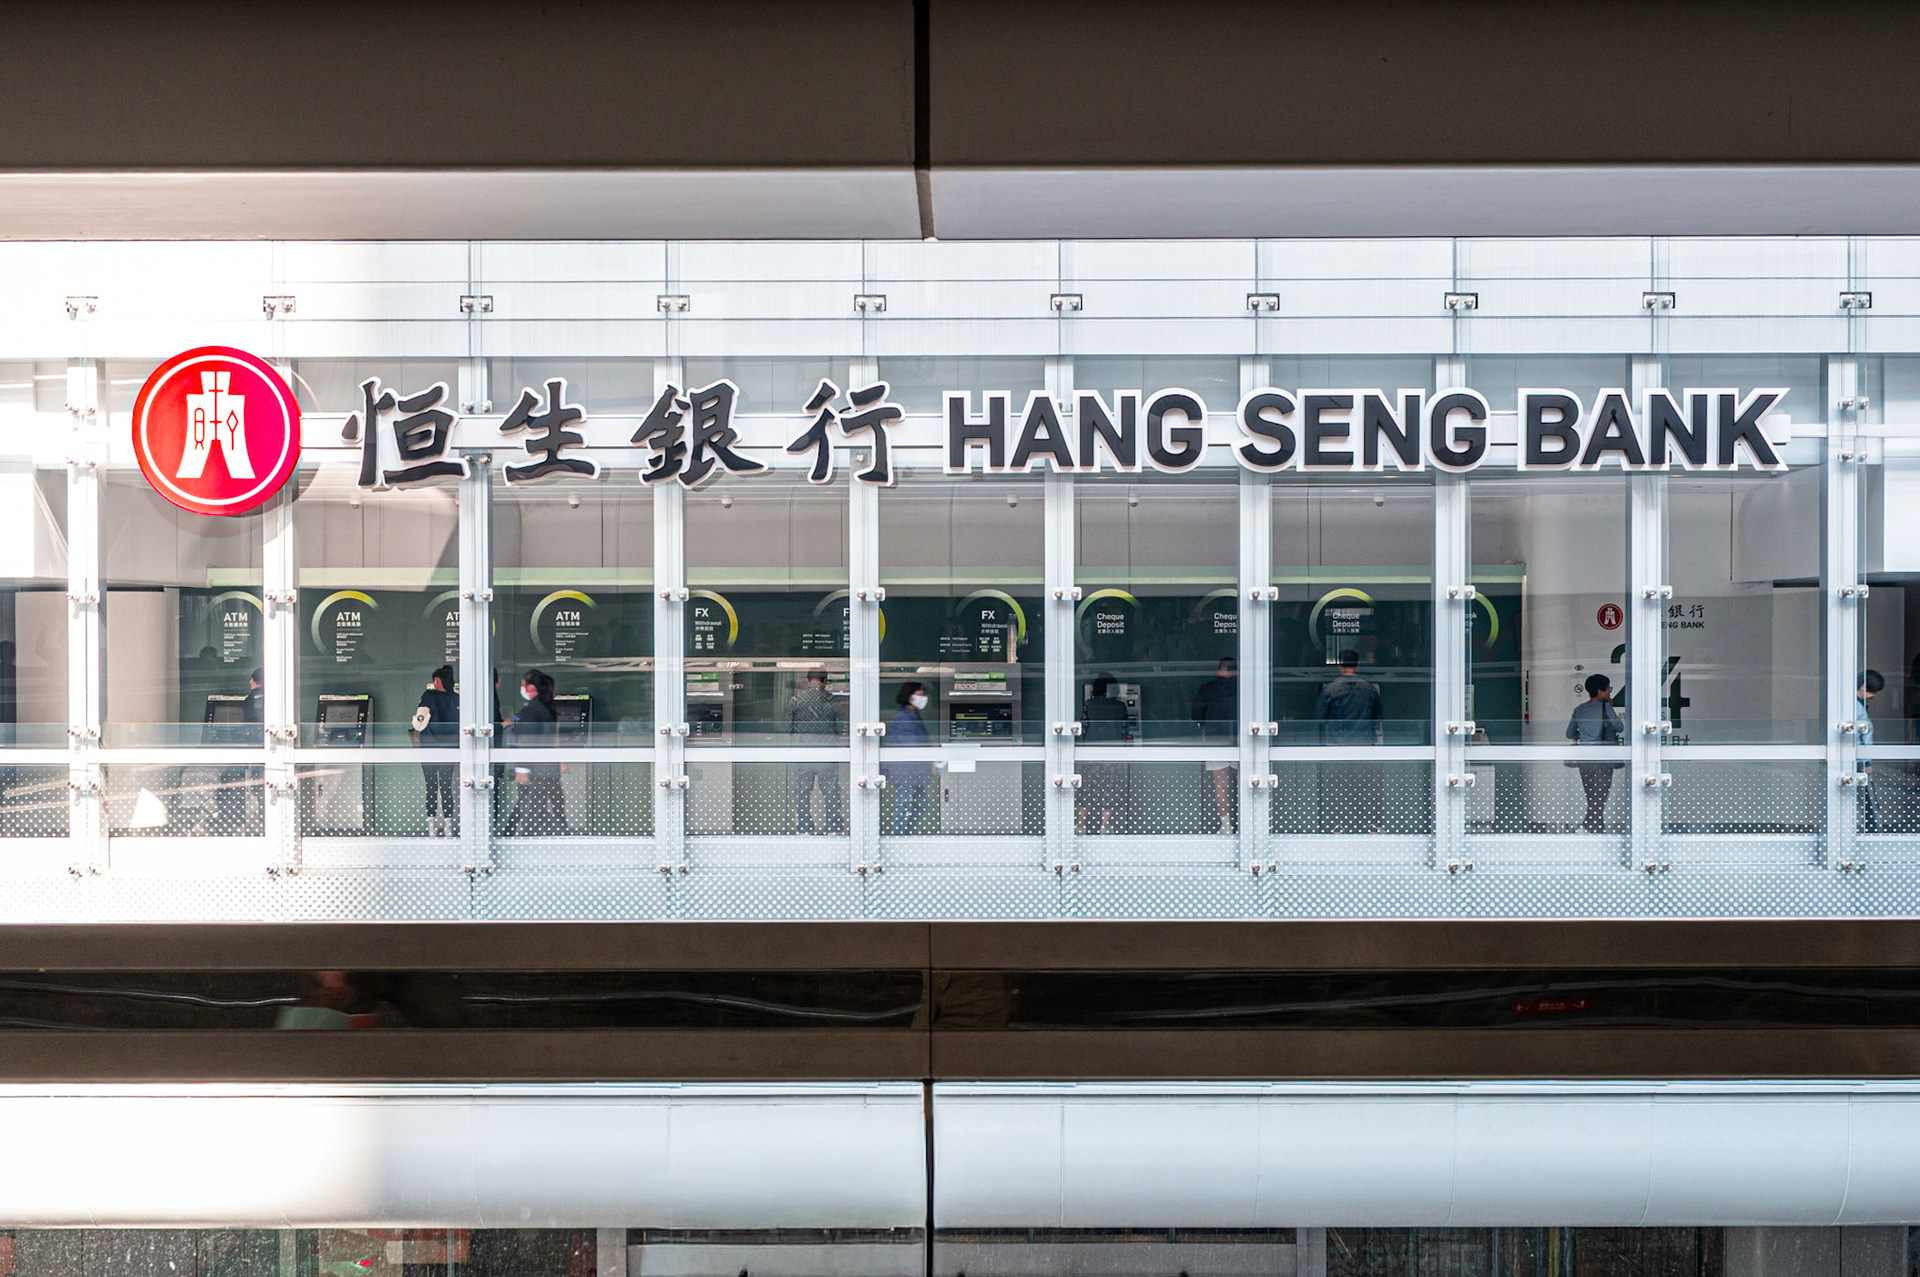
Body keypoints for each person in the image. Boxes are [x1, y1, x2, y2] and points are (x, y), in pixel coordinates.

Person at [1316, 650, 1386, 833]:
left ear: (1339, 666)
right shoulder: (1370, 689)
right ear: (1358, 665)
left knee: (1337, 789)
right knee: (1367, 789)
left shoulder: (1329, 689)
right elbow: (1378, 718)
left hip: (1336, 746)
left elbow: (1319, 717)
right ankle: (1372, 827)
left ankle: (1336, 827)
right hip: (1364, 745)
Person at [509, 668, 568, 835]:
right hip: (547, 768)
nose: (522, 689)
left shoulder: (533, 709)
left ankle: (539, 837)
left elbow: (528, 741)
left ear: (531, 688)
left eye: (523, 685)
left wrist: (522, 768)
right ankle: (560, 834)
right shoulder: (545, 708)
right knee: (543, 806)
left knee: (533, 809)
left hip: (536, 769)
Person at [787, 669, 845, 835]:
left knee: (802, 792)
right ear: (825, 681)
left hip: (802, 754)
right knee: (831, 792)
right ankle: (833, 828)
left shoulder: (795, 700)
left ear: (808, 680)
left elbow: (788, 727)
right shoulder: (832, 700)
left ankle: (805, 828)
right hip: (827, 753)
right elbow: (839, 728)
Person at [1565, 672, 1625, 834]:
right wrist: (1610, 708)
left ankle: (1596, 829)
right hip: (1602, 758)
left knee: (1592, 796)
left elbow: (1569, 734)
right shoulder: (1605, 707)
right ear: (1600, 691)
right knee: (1600, 797)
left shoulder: (1579, 710)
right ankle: (1587, 826)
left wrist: (1583, 732)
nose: (1609, 692)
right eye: (1608, 689)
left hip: (1584, 759)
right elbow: (1619, 727)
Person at [1078, 673, 1131, 835]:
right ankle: (1104, 825)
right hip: (1112, 753)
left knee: (1087, 789)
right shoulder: (1120, 706)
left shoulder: (1089, 704)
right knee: (1109, 790)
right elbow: (1125, 730)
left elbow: (1083, 727)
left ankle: (1080, 824)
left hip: (1091, 753)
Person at [1191, 657, 1238, 833]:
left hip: (1215, 739)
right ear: (1237, 672)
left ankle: (1226, 825)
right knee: (1245, 781)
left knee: (1221, 785)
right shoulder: (1245, 688)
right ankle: (1248, 822)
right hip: (1241, 740)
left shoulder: (1207, 689)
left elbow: (1196, 714)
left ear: (1219, 671)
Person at [411, 664, 459, 837]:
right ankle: (448, 826)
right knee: (446, 787)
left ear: (437, 680)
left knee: (431, 786)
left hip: (429, 748)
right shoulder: (456, 698)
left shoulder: (429, 696)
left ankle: (431, 826)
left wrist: (414, 720)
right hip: (450, 748)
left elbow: (419, 723)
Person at [882, 681, 934, 836]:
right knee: (904, 805)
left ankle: (905, 835)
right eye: (919, 695)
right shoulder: (904, 717)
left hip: (912, 772)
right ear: (909, 697)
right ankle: (899, 837)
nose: (923, 698)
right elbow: (912, 746)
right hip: (907, 771)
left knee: (919, 804)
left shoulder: (910, 715)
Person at [1859, 669, 1885, 833]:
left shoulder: (1857, 705)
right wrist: (1867, 762)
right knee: (1869, 802)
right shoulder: (1857, 709)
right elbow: (1864, 737)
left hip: (1858, 761)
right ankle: (1873, 834)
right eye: (1871, 691)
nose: (1873, 696)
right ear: (1862, 687)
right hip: (1859, 763)